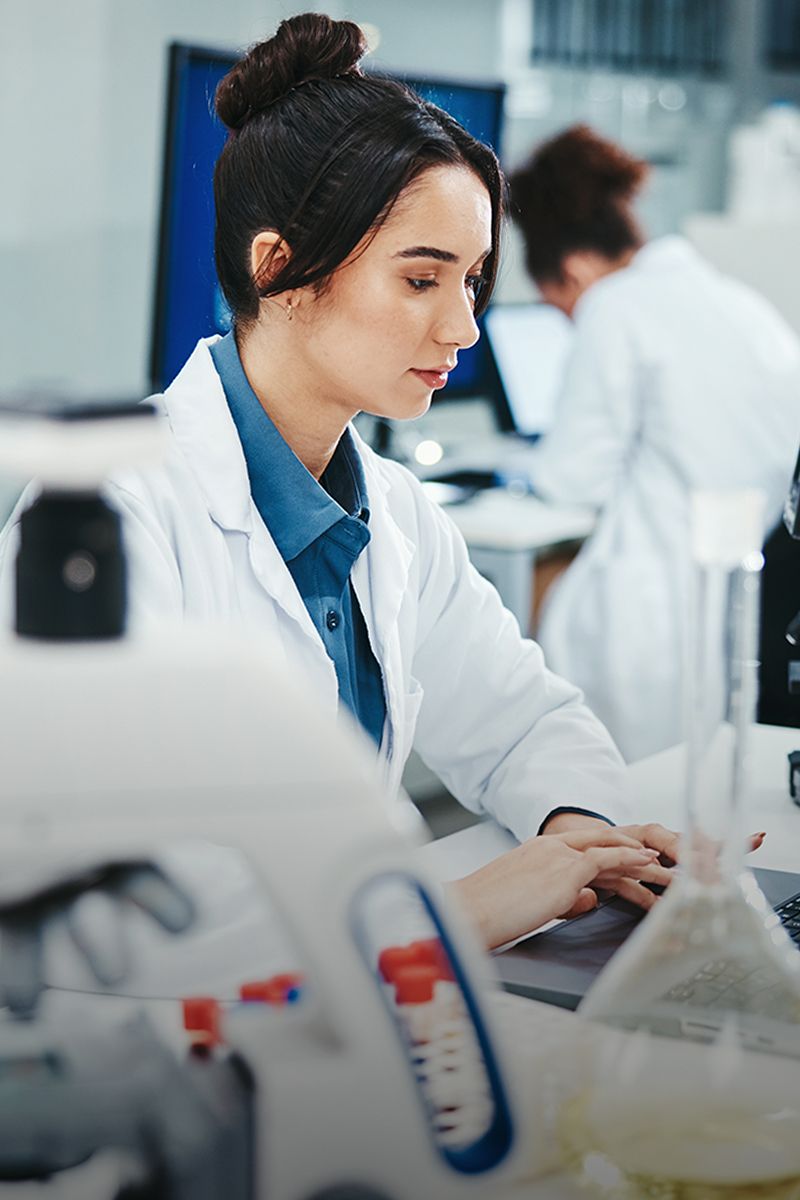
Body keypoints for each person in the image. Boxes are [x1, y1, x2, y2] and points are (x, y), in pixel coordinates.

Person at [0, 18, 680, 951]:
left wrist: (576, 836)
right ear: (277, 268)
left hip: (371, 1017)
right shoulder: (115, 516)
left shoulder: (393, 512)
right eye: (420, 280)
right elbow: (110, 906)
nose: (463, 327)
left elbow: (524, 720)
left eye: (472, 281)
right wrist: (464, 912)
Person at [510, 125, 800, 763]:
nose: (567, 321)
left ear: (577, 269)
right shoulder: (736, 302)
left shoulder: (616, 305)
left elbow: (572, 479)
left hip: (648, 619)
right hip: (741, 601)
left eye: (559, 306)